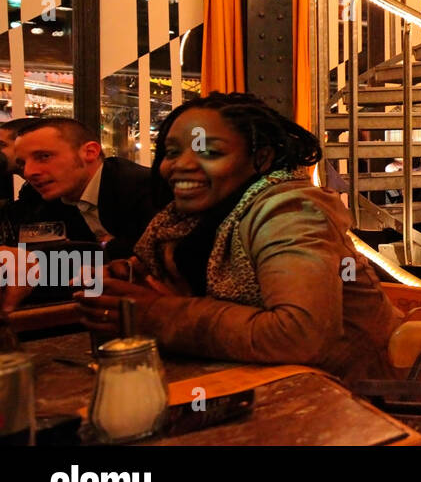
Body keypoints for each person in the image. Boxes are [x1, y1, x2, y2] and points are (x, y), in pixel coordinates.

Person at [75, 92, 403, 383]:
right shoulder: (183, 221)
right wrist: (129, 278)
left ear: (261, 159)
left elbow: (300, 335)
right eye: (172, 152)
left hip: (357, 394)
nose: (180, 166)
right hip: (260, 382)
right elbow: (172, 276)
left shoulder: (292, 212)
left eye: (210, 153)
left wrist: (155, 313)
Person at [11, 118, 165, 260]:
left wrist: (103, 249)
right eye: (22, 163)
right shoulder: (44, 198)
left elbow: (154, 254)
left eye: (44, 156)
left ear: (90, 152)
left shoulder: (145, 187)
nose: (28, 172)